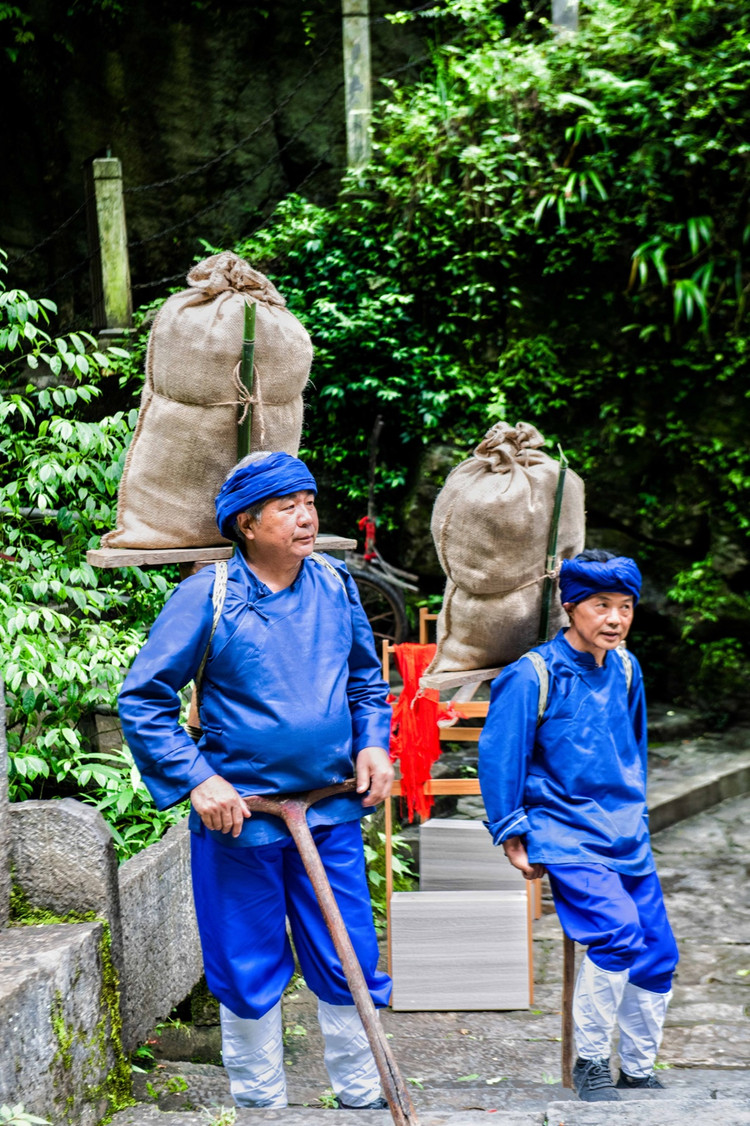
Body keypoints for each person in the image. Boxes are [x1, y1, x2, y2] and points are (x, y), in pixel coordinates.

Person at [118, 450, 394, 1110]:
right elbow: (143, 697)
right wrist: (196, 780)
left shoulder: (335, 584)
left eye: (309, 504)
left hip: (328, 809)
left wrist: (374, 746)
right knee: (246, 962)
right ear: (246, 523)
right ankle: (260, 1104)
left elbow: (364, 680)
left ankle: (360, 1094)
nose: (305, 518)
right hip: (241, 815)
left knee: (347, 949)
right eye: (286, 507)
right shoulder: (206, 596)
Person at [477, 550, 678, 1103]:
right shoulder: (533, 674)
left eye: (625, 607)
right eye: (601, 606)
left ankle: (638, 1068)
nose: (615, 619)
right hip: (566, 833)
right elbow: (501, 757)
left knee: (658, 953)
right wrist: (511, 831)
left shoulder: (628, 667)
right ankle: (590, 1063)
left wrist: (635, 813)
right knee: (617, 934)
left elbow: (633, 747)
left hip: (624, 832)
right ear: (570, 607)